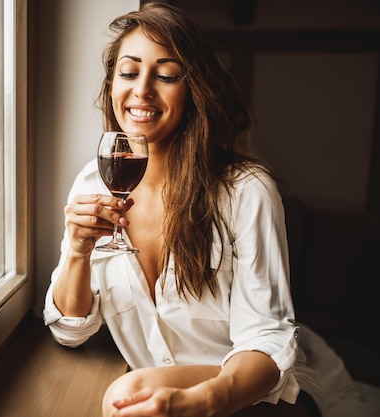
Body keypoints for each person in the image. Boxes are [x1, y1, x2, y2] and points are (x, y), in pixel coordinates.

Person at [43, 3, 323, 416]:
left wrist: (204, 400)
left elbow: (267, 340)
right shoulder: (92, 183)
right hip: (160, 404)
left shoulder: (246, 191)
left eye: (168, 75)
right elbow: (71, 330)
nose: (142, 90)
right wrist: (78, 253)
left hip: (249, 401)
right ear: (111, 84)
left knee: (127, 393)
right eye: (129, 71)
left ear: (193, 90)